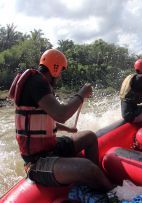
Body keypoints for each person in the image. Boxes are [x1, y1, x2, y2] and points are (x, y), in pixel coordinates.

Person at [8, 49, 113, 191]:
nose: (60, 75)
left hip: (51, 148)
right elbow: (61, 114)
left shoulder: (38, 83)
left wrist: (68, 129)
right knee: (87, 168)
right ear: (55, 68)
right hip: (37, 162)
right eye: (61, 70)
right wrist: (81, 94)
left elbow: (44, 121)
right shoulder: (36, 82)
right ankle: (111, 193)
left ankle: (93, 183)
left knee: (89, 136)